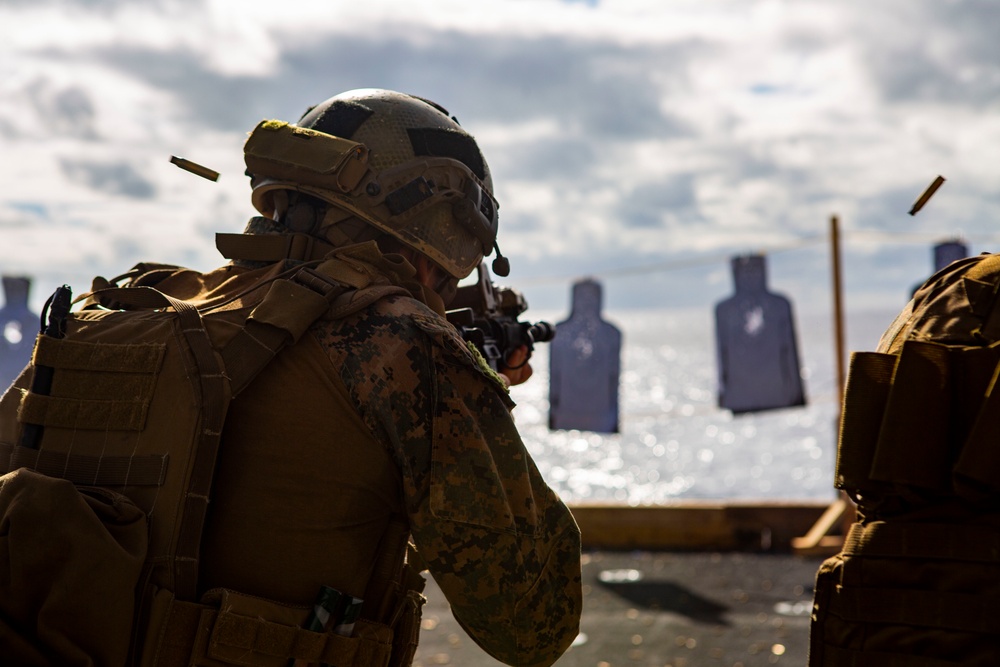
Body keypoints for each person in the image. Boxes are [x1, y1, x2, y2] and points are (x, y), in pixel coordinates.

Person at [1, 89, 582, 667]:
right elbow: (533, 625)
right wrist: (475, 391)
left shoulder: (121, 313)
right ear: (442, 224)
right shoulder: (402, 347)